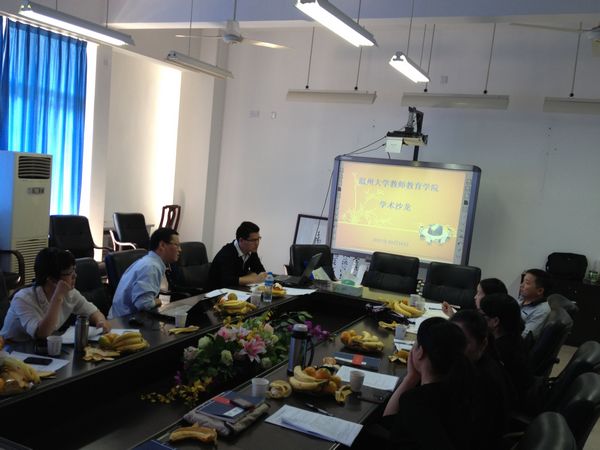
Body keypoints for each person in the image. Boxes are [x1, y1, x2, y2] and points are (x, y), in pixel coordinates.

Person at [378, 317, 475, 449]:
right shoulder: (465, 388)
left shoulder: (415, 400)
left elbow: (387, 424)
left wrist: (410, 377)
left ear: (420, 352)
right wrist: (412, 376)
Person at [0, 248, 110, 342]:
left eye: (74, 270)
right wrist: (58, 296)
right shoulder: (23, 299)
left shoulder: (70, 293)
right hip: (12, 350)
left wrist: (100, 322)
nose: (75, 276)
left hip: (40, 348)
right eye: (69, 273)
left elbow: (94, 312)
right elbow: (42, 333)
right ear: (51, 279)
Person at [450, 310, 514, 446]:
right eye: (451, 340)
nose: (454, 348)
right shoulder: (479, 363)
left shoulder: (482, 381)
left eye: (463, 342)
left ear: (483, 343)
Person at [109, 228, 181, 318]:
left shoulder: (149, 262)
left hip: (126, 318)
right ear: (162, 245)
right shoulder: (151, 267)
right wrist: (159, 301)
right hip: (123, 321)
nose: (180, 250)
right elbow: (144, 304)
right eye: (176, 245)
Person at [479, 293, 534, 409]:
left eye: (482, 315)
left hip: (501, 406)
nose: (478, 319)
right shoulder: (514, 338)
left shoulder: (498, 352)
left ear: (495, 321)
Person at [207, 221, 267, 290]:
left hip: (237, 290)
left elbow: (261, 272)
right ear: (241, 240)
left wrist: (252, 277)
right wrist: (253, 279)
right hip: (216, 292)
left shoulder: (251, 251)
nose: (257, 243)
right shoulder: (226, 253)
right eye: (253, 240)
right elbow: (227, 281)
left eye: (258, 239)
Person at [442, 277, 507, 317]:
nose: (475, 297)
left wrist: (452, 317)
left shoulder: (484, 324)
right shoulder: (478, 314)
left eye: (479, 293)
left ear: (490, 297)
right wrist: (452, 315)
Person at [518, 268, 550, 339]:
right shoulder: (522, 298)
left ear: (540, 291)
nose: (521, 285)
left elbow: (525, 336)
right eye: (523, 281)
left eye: (527, 283)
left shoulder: (542, 310)